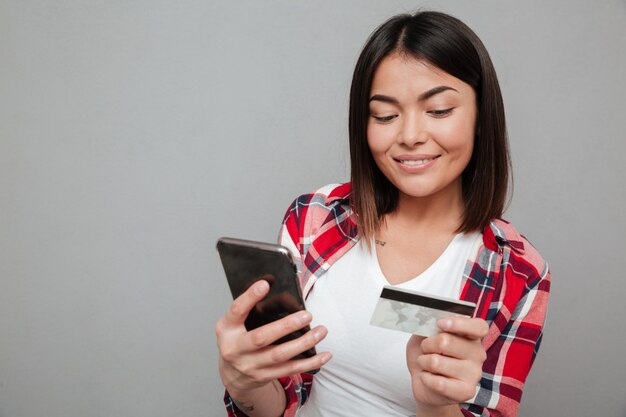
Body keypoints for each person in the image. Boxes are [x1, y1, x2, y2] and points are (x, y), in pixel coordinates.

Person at [215, 10, 550, 417]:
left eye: (440, 110)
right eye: (385, 115)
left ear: (481, 117)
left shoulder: (518, 272)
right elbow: (283, 396)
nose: (409, 136)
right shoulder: (315, 219)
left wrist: (436, 405)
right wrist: (244, 381)